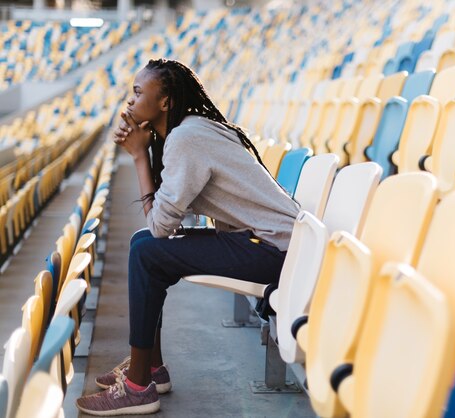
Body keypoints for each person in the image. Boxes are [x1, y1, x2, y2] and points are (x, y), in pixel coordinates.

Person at [76, 59, 300, 416]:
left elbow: (161, 226)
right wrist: (145, 150)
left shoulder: (185, 137)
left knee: (147, 251)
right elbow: (160, 225)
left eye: (137, 93)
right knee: (142, 245)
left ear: (164, 101)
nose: (130, 103)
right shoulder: (186, 132)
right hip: (270, 243)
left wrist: (137, 156)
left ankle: (137, 387)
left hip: (277, 251)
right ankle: (150, 369)